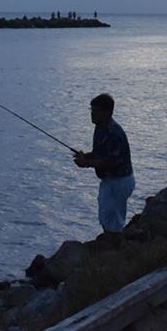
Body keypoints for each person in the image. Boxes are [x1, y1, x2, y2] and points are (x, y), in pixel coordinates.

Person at [73, 93, 135, 236]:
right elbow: (100, 153)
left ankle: (115, 243)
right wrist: (86, 156)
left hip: (120, 181)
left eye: (96, 111)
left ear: (107, 112)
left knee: (113, 220)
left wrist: (86, 163)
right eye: (91, 110)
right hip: (110, 180)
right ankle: (111, 242)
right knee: (105, 215)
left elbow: (111, 161)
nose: (92, 114)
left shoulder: (113, 132)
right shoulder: (100, 127)